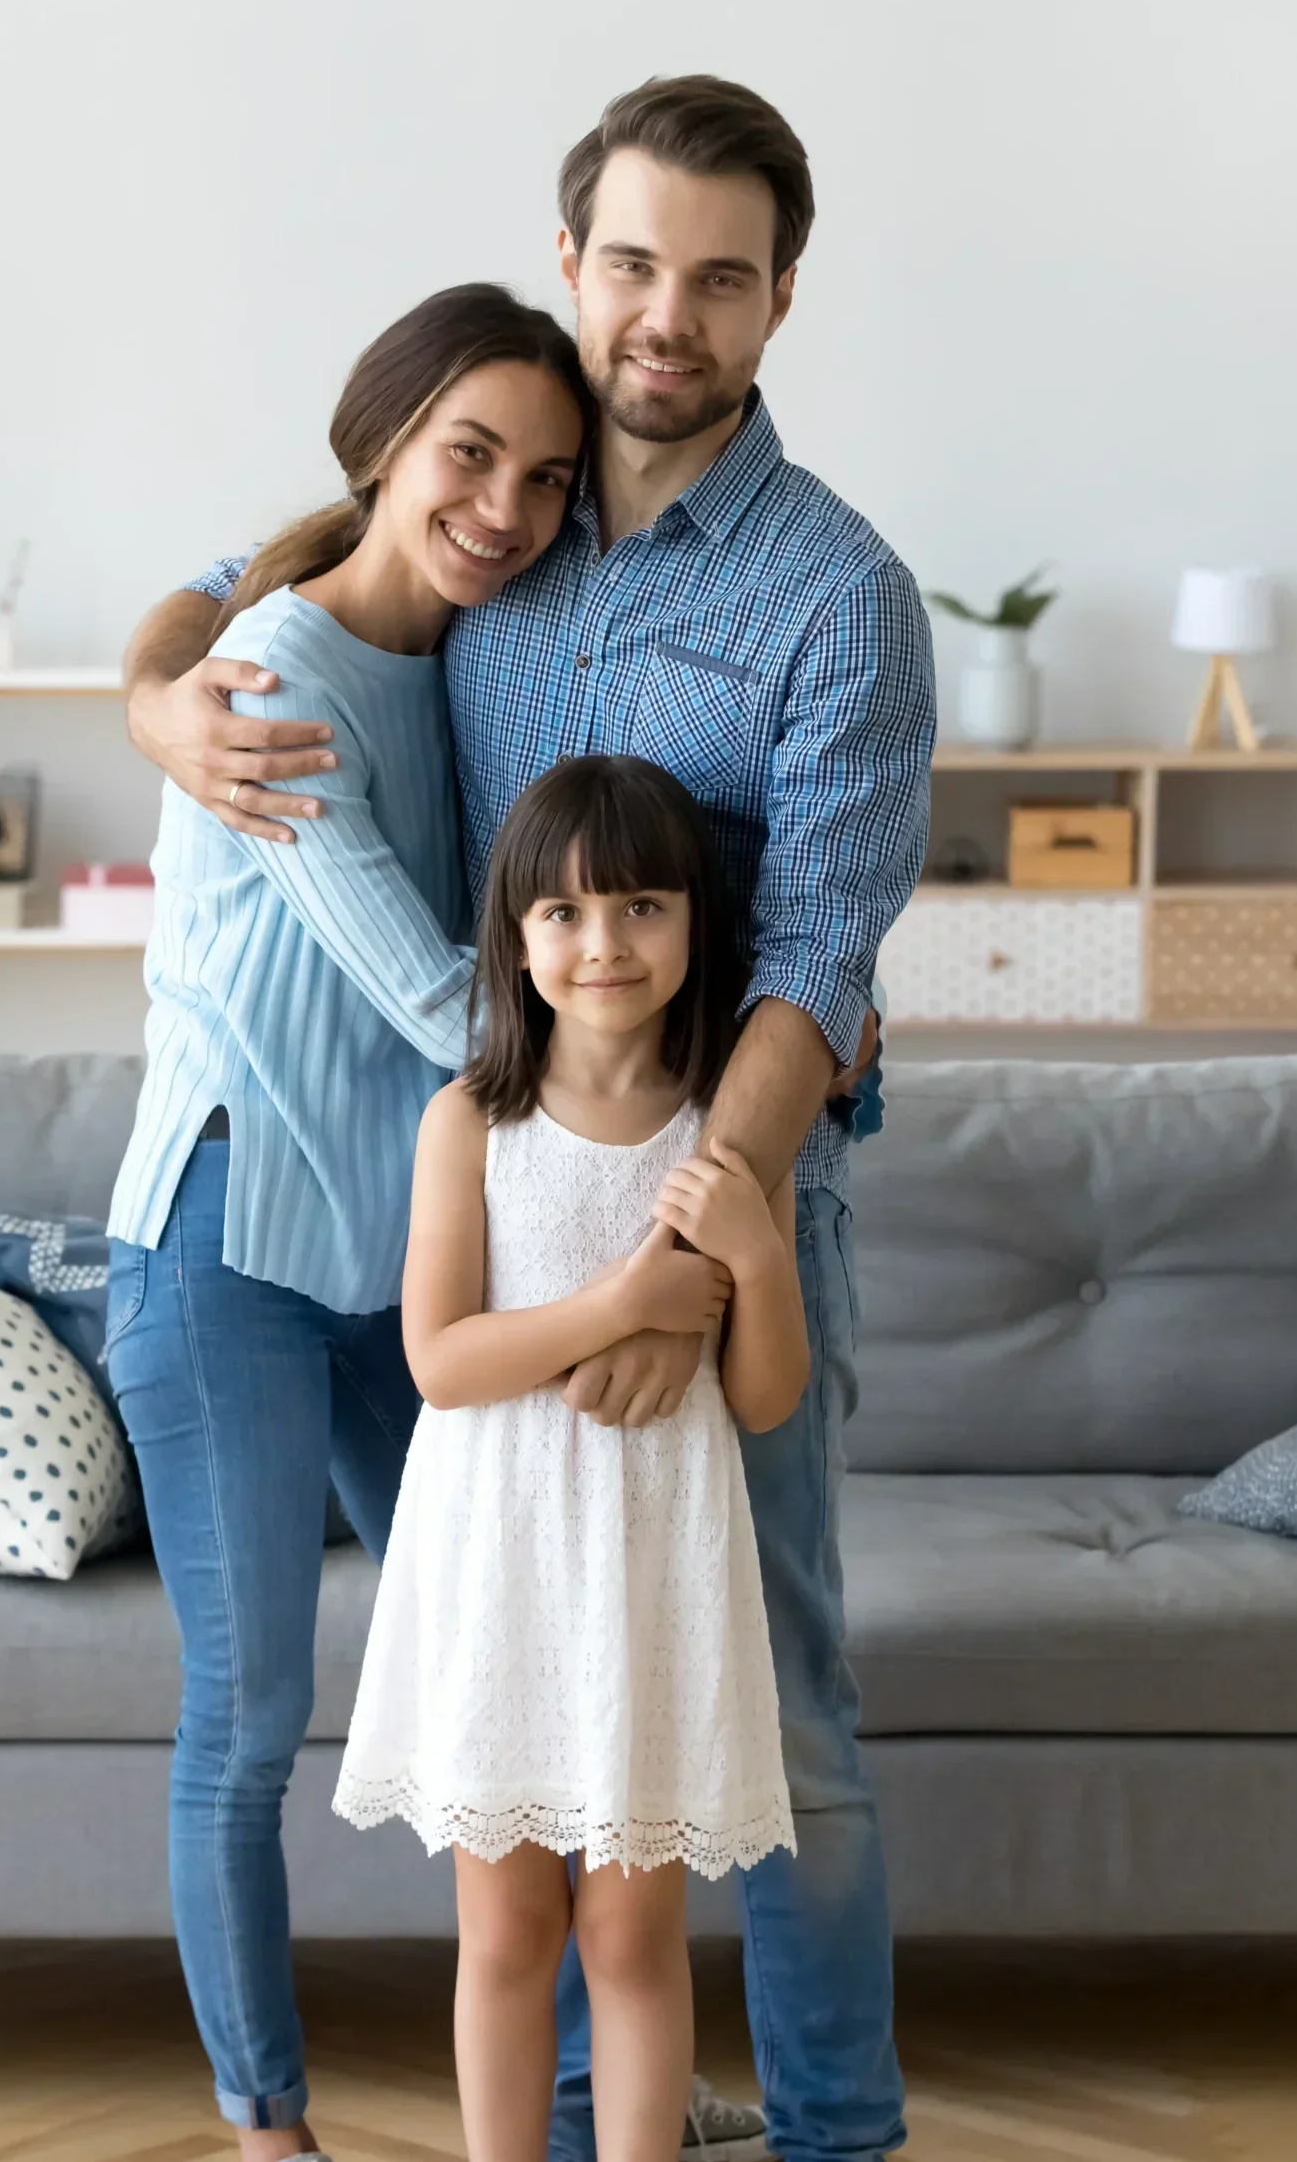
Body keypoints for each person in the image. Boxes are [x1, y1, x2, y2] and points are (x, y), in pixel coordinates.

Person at [123, 76, 936, 2162]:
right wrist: (149, 695)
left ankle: (841, 2128)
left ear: (777, 305)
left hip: (727, 1198)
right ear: (574, 264)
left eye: (723, 278)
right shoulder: (511, 504)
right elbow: (249, 580)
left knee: (785, 1716)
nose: (672, 312)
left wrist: (698, 1232)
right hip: (501, 1199)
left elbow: (820, 956)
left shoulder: (840, 596)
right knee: (544, 1710)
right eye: (638, 263)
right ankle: (585, 2124)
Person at [104, 282, 601, 2159]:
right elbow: (415, 983)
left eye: (545, 480)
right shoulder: (273, 677)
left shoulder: (479, 640)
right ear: (385, 440)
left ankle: (574, 2096)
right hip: (222, 1249)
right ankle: (266, 2126)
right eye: (468, 456)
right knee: (251, 1720)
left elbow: (204, 566)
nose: (501, 507)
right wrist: (687, 1077)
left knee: (508, 1680)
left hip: (399, 1272)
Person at [336, 754, 805, 2162]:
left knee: (629, 1925)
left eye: (642, 908)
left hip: (655, 1560)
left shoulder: (728, 1136)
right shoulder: (468, 1124)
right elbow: (441, 1361)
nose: (603, 945)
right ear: (516, 936)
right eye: (565, 915)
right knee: (507, 1927)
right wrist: (623, 1301)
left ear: (691, 926)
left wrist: (752, 1255)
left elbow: (766, 1396)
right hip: (500, 1558)